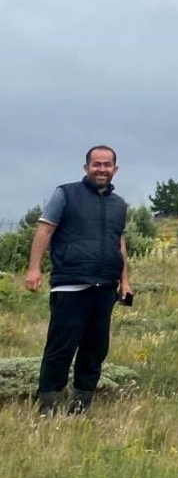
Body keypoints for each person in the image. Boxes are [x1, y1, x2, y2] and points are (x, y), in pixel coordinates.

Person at [25, 145, 132, 416]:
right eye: (96, 164)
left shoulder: (119, 205)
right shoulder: (65, 194)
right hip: (70, 284)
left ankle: (81, 407)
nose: (102, 169)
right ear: (86, 167)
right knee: (60, 348)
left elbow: (119, 243)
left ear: (115, 169)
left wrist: (125, 281)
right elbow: (44, 230)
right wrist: (34, 269)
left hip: (105, 287)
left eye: (107, 165)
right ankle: (48, 406)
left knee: (95, 350)